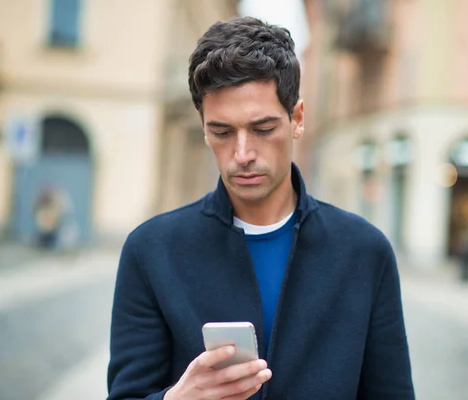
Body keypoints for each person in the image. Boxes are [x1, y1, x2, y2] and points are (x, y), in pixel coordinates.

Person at [107, 16, 415, 400]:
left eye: (263, 129)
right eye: (221, 132)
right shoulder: (150, 250)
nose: (242, 155)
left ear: (297, 119)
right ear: (203, 127)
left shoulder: (365, 252)